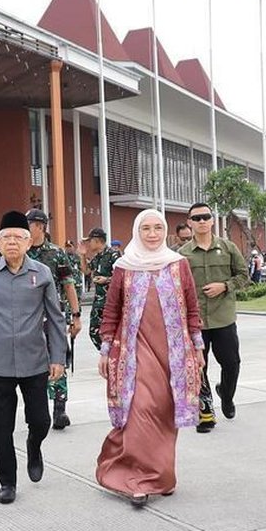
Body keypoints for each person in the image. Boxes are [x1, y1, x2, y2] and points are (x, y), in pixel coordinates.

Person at [96, 210, 204, 507]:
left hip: (174, 355)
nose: (153, 234)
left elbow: (192, 308)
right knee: (141, 409)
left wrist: (198, 347)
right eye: (146, 228)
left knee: (164, 414)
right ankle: (138, 480)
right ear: (137, 231)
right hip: (134, 354)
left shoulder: (178, 264)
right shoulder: (124, 267)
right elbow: (112, 310)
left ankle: (162, 475)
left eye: (158, 228)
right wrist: (106, 349)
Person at [0, 211, 66, 505]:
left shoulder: (42, 274)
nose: (12, 243)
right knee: (1, 428)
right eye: (6, 237)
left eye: (18, 237)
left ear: (28, 242)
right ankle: (7, 481)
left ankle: (34, 445)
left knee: (41, 420)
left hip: (35, 362)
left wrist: (58, 356)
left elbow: (55, 320)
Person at [178, 201, 248, 432]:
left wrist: (225, 286)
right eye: (196, 218)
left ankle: (226, 394)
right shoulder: (182, 255)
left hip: (223, 318)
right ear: (189, 222)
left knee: (232, 363)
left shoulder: (228, 248)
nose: (201, 222)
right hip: (195, 321)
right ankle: (205, 413)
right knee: (199, 367)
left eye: (205, 217)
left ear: (212, 220)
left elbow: (244, 275)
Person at [24, 208, 81, 429]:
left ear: (40, 226)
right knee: (31, 365)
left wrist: (76, 316)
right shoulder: (20, 252)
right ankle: (37, 409)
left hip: (52, 317)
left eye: (28, 224)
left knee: (57, 360)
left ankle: (60, 410)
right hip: (25, 319)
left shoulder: (57, 254)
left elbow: (69, 285)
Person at [85, 227, 121, 350]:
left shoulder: (113, 255)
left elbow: (122, 276)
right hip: (99, 301)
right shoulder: (97, 258)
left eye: (90, 241)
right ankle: (107, 356)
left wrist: (106, 280)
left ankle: (113, 359)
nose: (89, 244)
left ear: (97, 241)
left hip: (111, 301)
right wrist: (82, 254)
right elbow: (86, 270)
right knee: (94, 332)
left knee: (112, 332)